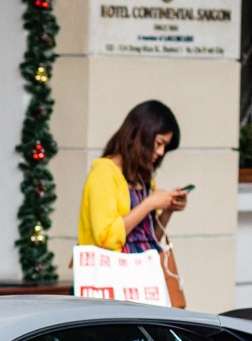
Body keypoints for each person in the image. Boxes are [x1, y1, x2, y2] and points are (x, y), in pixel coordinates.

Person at [78, 98, 189, 276]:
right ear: (141, 134)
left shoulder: (145, 180)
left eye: (165, 147)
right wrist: (150, 204)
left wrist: (168, 210)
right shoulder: (104, 173)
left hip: (144, 279)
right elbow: (106, 238)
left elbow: (149, 239)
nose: (161, 152)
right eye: (159, 143)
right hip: (114, 280)